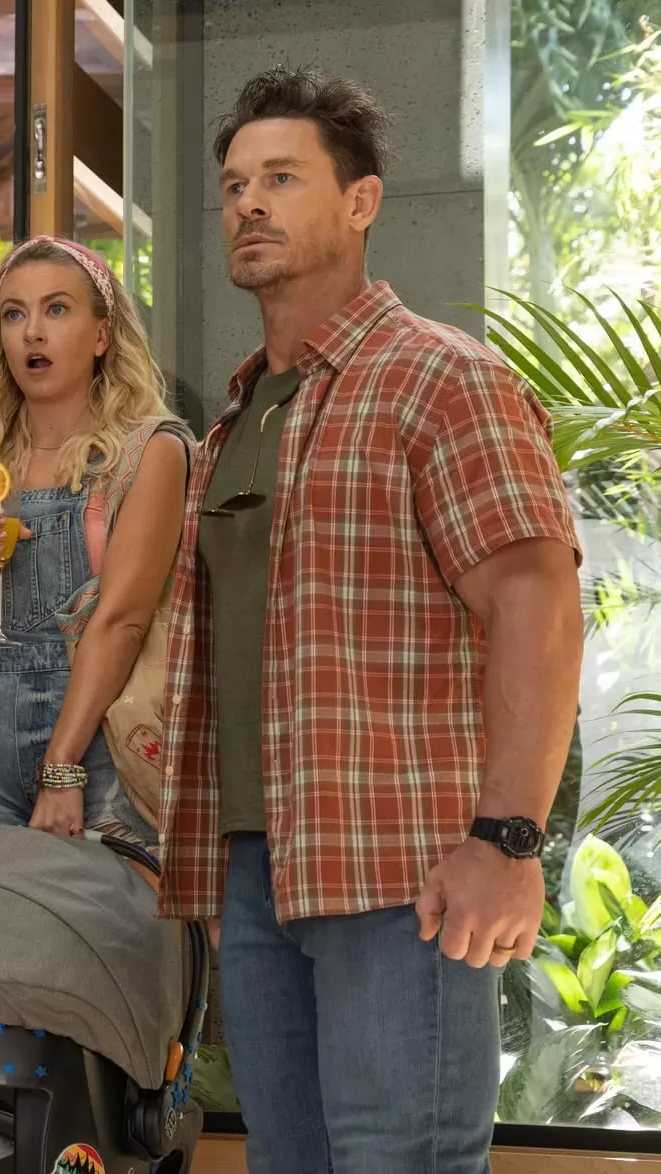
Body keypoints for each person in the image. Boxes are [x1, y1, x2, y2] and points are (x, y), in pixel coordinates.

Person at [150, 68, 584, 1172]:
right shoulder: (238, 418)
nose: (249, 202)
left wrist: (508, 840)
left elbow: (536, 605)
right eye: (235, 184)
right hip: (257, 868)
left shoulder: (442, 379)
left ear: (362, 201)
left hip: (406, 871)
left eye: (282, 178)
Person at [0, 237, 190, 846]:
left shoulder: (150, 451)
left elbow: (121, 622)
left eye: (56, 309)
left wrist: (62, 767)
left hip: (103, 740)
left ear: (101, 334)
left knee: (95, 912)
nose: (32, 332)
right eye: (14, 314)